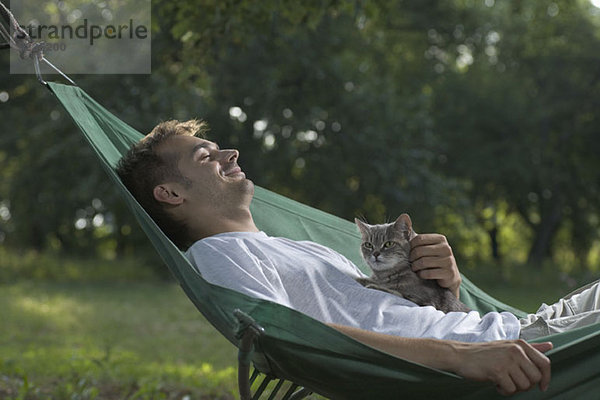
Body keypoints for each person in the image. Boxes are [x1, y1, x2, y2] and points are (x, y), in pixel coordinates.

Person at [116, 119, 598, 395]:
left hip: (517, 331)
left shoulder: (292, 247)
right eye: (206, 156)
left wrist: (447, 286)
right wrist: (460, 355)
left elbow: (399, 321)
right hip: (528, 351)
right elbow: (289, 338)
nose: (229, 152)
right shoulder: (220, 256)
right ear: (170, 193)